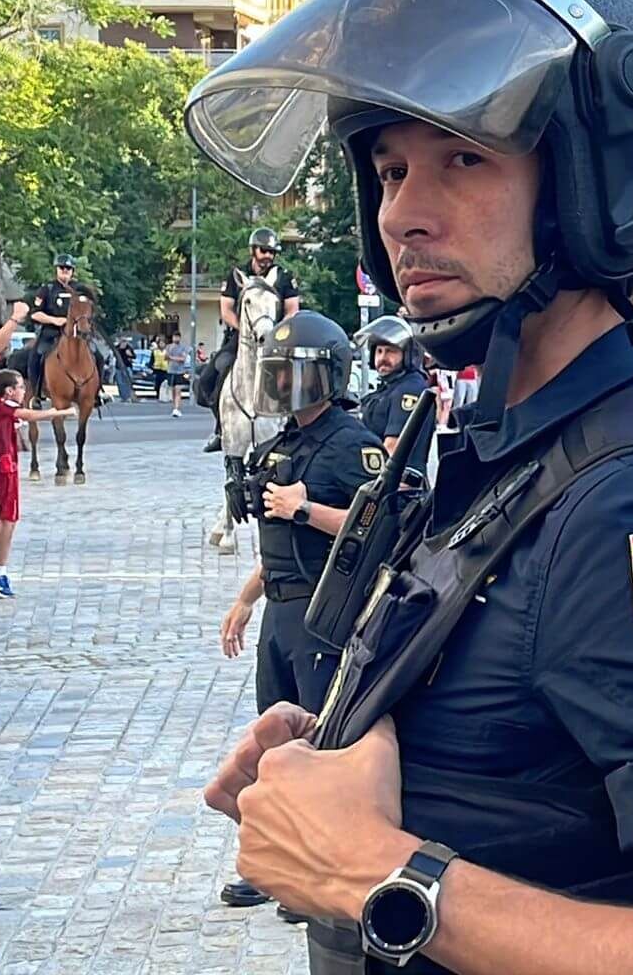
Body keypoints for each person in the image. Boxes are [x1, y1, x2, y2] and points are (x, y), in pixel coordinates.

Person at [187, 0, 633, 972]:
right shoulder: (514, 449)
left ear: (598, 181)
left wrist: (369, 875)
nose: (403, 212)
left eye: (463, 159)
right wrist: (349, 746)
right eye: (390, 170)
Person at [215, 311, 382, 912]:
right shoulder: (280, 445)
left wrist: (306, 508)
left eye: (296, 374)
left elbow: (380, 528)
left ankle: (319, 869)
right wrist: (243, 600)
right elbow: (276, 543)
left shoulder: (351, 445)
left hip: (325, 612)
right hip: (280, 612)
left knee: (319, 744)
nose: (286, 385)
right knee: (275, 742)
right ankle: (274, 863)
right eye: (279, 374)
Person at [203, 228, 303, 451]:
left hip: (277, 338)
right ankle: (222, 427)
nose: (268, 255)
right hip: (241, 338)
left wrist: (275, 333)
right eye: (264, 250)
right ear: (253, 250)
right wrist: (245, 330)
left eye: (272, 252)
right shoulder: (238, 274)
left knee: (299, 378)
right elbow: (226, 309)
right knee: (211, 376)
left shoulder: (284, 276)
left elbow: (292, 309)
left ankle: (295, 427)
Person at [0, 370, 76, 597]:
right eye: (21, 387)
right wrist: (61, 410)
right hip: (2, 467)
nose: (24, 391)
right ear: (9, 390)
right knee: (6, 519)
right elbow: (29, 416)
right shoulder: (4, 405)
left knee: (0, 520)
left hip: (0, 465)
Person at [353, 314, 433, 460]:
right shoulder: (390, 387)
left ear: (408, 354)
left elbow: (393, 448)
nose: (382, 358)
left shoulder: (409, 389)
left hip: (397, 481)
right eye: (379, 351)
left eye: (390, 351)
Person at [24, 255, 92, 402]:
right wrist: (55, 320)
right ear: (56, 269)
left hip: (75, 333)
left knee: (96, 355)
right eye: (62, 267)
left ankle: (97, 392)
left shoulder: (79, 289)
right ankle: (36, 393)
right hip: (52, 332)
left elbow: (86, 309)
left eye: (68, 268)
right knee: (37, 355)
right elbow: (35, 314)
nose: (65, 270)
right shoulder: (47, 289)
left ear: (73, 271)